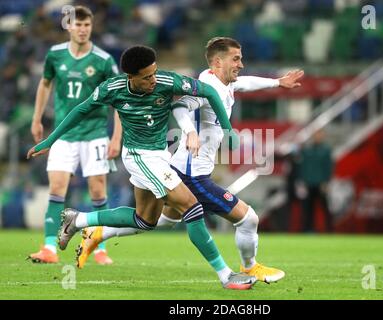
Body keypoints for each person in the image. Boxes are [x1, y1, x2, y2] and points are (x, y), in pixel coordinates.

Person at [75, 37, 304, 283]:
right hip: (193, 174)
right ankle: (249, 268)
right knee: (248, 219)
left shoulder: (221, 81)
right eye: (236, 59)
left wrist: (278, 82)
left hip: (183, 167)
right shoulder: (208, 85)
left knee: (157, 221)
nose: (241, 64)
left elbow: (244, 83)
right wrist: (190, 132)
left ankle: (97, 233)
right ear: (218, 61)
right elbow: (180, 107)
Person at [27, 45, 256, 290]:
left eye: (154, 73)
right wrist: (50, 141)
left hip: (159, 154)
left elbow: (209, 91)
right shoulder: (112, 89)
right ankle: (226, 275)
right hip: (138, 155)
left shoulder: (167, 81)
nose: (153, 80)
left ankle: (79, 219)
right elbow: (81, 110)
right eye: (146, 77)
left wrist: (227, 128)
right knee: (191, 205)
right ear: (130, 77)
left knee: (145, 220)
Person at [28, 6, 121, 265]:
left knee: (97, 191)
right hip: (63, 135)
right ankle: (49, 248)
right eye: (77, 25)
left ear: (91, 27)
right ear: (69, 27)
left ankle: (99, 248)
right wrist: (36, 119)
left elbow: (118, 99)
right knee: (57, 188)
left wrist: (116, 138)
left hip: (94, 135)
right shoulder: (55, 55)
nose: (82, 29)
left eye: (86, 25)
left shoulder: (103, 60)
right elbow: (45, 84)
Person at [296, 129, 334, 233]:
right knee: (308, 209)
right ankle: (308, 230)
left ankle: (330, 230)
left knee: (325, 208)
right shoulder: (307, 150)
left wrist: (326, 182)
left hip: (321, 184)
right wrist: (302, 182)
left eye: (319, 134)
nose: (318, 137)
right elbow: (302, 167)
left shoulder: (326, 150)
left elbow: (328, 167)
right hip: (308, 183)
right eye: (316, 134)